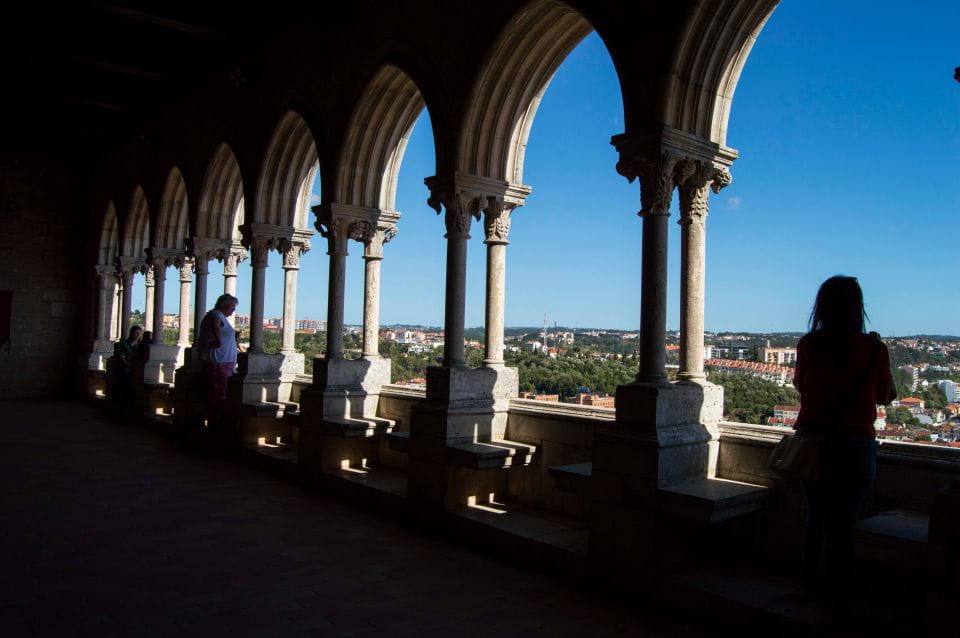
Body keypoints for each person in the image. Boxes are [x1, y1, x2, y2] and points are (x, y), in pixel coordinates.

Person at [793, 276, 896, 620]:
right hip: (854, 443)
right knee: (841, 525)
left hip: (813, 440)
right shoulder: (874, 349)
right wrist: (878, 351)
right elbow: (885, 396)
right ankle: (831, 600)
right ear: (859, 307)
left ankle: (807, 589)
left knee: (815, 518)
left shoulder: (809, 344)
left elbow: (801, 387)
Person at [196, 294, 239, 429]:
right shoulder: (216, 314)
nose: (233, 310)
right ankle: (213, 423)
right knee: (219, 393)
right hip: (219, 361)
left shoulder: (217, 315)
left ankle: (209, 421)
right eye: (232, 307)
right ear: (223, 304)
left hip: (220, 361)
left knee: (217, 392)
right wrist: (218, 340)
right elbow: (215, 324)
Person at [112, 324, 142, 402]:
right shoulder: (124, 344)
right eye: (136, 333)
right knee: (126, 376)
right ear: (131, 333)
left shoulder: (140, 345)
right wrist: (130, 365)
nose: (138, 335)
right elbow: (121, 358)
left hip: (136, 367)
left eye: (139, 333)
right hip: (126, 367)